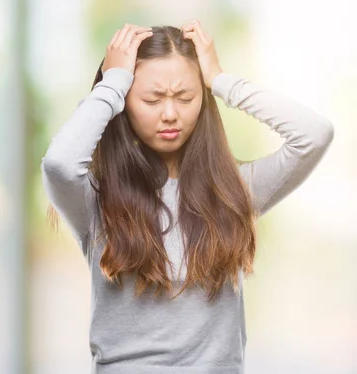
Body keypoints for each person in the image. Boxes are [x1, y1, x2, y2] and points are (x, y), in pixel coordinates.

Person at [40, 20, 334, 373]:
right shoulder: (95, 199)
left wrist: (225, 82)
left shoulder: (234, 190)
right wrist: (112, 82)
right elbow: (59, 163)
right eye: (151, 98)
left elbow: (314, 135)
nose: (169, 113)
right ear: (124, 103)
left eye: (185, 97)